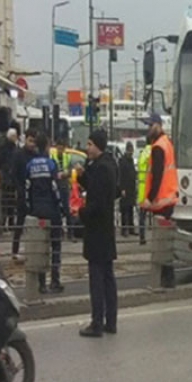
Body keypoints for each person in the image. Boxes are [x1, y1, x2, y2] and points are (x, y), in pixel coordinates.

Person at [77, 130, 119, 338]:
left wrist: (81, 213)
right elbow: (98, 189)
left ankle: (97, 323)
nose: (87, 148)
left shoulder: (102, 169)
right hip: (106, 229)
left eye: (90, 144)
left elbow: (97, 202)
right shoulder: (108, 165)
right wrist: (83, 177)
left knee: (97, 279)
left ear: (99, 146)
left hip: (97, 231)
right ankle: (110, 321)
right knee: (108, 277)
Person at [141, 113, 179, 288]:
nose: (148, 129)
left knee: (161, 242)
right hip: (169, 198)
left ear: (158, 125)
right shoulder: (167, 143)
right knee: (165, 240)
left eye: (150, 126)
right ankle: (167, 278)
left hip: (161, 200)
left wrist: (149, 198)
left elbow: (156, 175)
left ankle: (165, 279)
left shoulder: (158, 147)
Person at [26, 133, 64, 294]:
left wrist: (30, 208)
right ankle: (54, 280)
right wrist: (60, 206)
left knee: (40, 246)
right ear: (47, 146)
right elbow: (55, 188)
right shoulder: (51, 164)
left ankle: (41, 283)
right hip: (51, 211)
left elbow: (27, 188)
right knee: (55, 245)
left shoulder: (30, 165)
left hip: (37, 212)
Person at [11, 129, 38, 260]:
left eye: (34, 141)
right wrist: (18, 188)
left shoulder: (35, 155)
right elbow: (14, 173)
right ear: (25, 139)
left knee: (34, 222)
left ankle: (32, 249)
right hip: (22, 192)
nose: (32, 144)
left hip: (33, 193)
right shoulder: (18, 154)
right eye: (30, 141)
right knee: (20, 222)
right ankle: (15, 250)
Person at [0, 128, 19, 231]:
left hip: (6, 178)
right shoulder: (12, 148)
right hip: (9, 178)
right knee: (9, 201)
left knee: (6, 202)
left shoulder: (3, 147)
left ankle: (4, 223)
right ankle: (9, 222)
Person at [50, 139, 73, 240]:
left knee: (67, 210)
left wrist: (65, 174)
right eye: (58, 147)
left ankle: (70, 233)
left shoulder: (67, 157)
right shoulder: (52, 157)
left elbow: (71, 171)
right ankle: (59, 232)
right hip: (56, 187)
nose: (60, 149)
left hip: (64, 186)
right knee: (57, 211)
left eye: (62, 147)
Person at [118, 142, 138, 237]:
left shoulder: (130, 161)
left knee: (130, 209)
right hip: (125, 188)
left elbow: (133, 173)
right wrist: (122, 188)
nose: (131, 152)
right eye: (130, 150)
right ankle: (124, 229)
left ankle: (131, 228)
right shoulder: (122, 161)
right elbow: (121, 175)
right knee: (124, 210)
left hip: (131, 188)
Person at [136, 142, 152, 245]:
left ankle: (142, 237)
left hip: (142, 189)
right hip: (150, 189)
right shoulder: (152, 152)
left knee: (142, 217)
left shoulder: (142, 153)